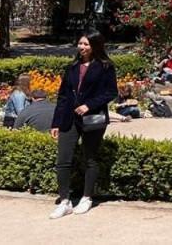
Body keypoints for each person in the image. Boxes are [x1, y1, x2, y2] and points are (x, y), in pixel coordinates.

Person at [50, 30, 118, 219]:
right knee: (63, 160)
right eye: (80, 43)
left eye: (86, 44)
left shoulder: (105, 67)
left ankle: (87, 197)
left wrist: (89, 105)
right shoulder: (72, 66)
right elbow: (63, 96)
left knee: (90, 158)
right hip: (69, 119)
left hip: (92, 118)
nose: (82, 47)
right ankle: (64, 201)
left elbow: (111, 92)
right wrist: (56, 122)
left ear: (95, 46)